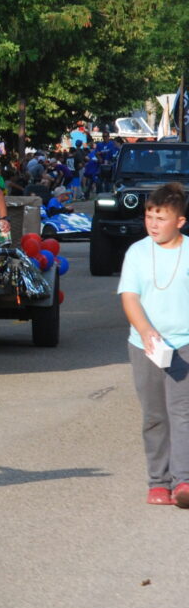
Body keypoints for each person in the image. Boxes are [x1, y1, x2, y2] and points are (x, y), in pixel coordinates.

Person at [117, 182, 189, 507]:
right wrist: (145, 330)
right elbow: (130, 297)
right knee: (155, 415)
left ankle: (183, 481)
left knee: (182, 413)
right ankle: (158, 482)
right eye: (149, 216)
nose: (153, 224)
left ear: (180, 221)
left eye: (161, 217)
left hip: (184, 345)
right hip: (146, 347)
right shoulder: (137, 253)